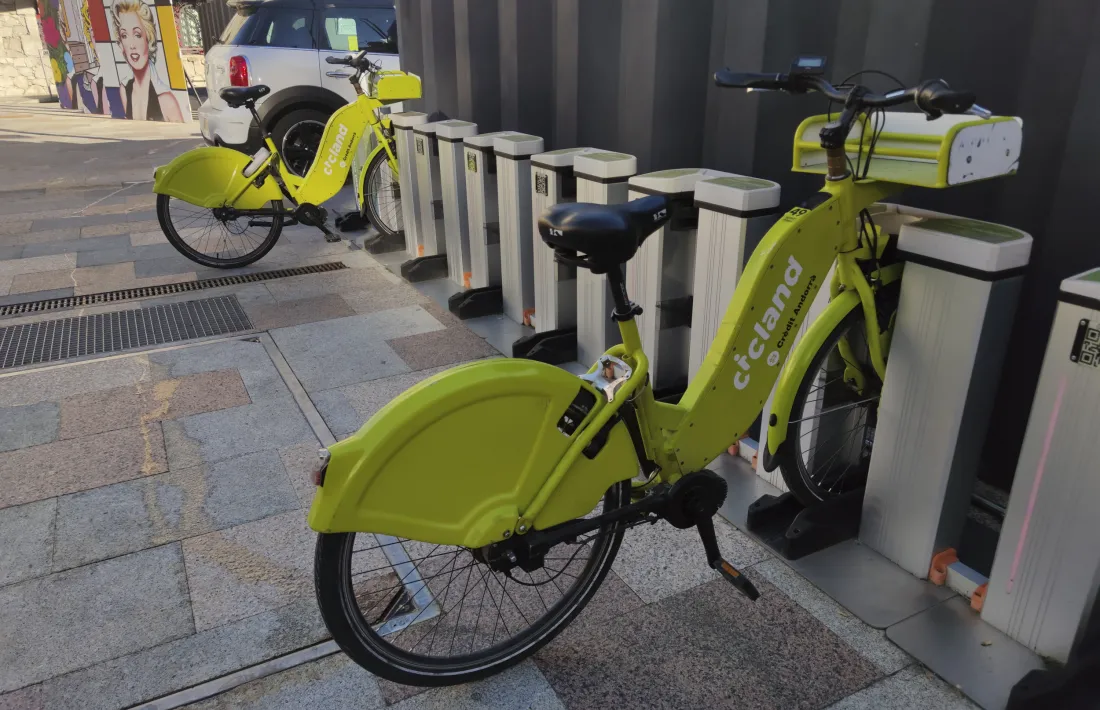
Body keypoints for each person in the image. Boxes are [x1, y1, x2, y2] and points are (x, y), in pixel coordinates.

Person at [111, 0, 183, 122]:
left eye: (137, 34)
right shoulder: (124, 89)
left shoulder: (166, 100)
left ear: (148, 38)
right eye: (124, 36)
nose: (132, 45)